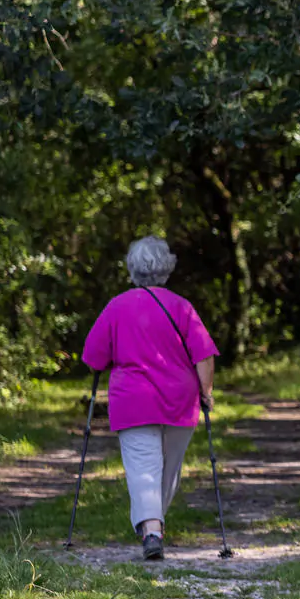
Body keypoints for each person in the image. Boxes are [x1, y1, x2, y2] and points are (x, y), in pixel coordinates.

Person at [81, 237, 219, 560]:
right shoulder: (182, 307)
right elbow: (205, 357)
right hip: (180, 401)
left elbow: (93, 358)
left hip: (133, 401)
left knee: (144, 467)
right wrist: (206, 392)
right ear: (166, 268)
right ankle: (154, 528)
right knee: (168, 469)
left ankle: (152, 529)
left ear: (132, 269)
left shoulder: (117, 306)